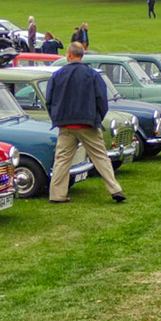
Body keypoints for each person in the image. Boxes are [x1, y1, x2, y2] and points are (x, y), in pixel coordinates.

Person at [45, 43, 125, 203]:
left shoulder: (58, 75)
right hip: (88, 123)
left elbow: (50, 100)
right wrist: (97, 118)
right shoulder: (92, 75)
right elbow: (102, 100)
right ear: (82, 55)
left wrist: (57, 118)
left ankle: (57, 194)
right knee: (100, 157)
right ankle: (115, 189)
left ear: (68, 55)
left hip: (66, 124)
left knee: (61, 159)